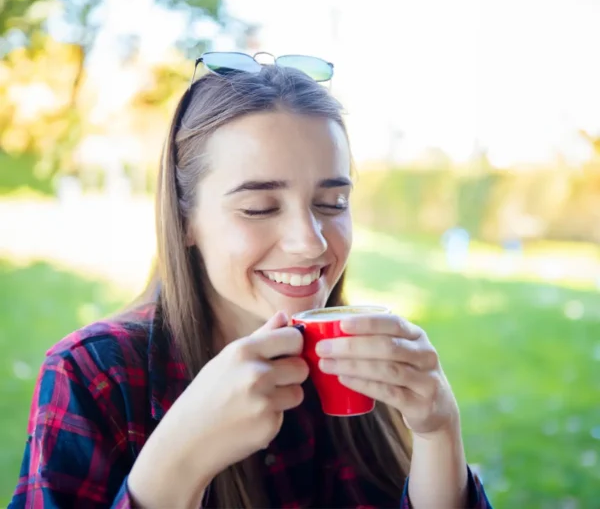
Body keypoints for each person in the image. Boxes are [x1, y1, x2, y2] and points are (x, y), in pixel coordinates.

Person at [10, 52, 493, 508]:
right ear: (185, 222)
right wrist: (176, 464)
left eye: (332, 204)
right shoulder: (95, 375)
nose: (311, 242)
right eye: (259, 207)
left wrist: (438, 434)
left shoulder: (361, 366)